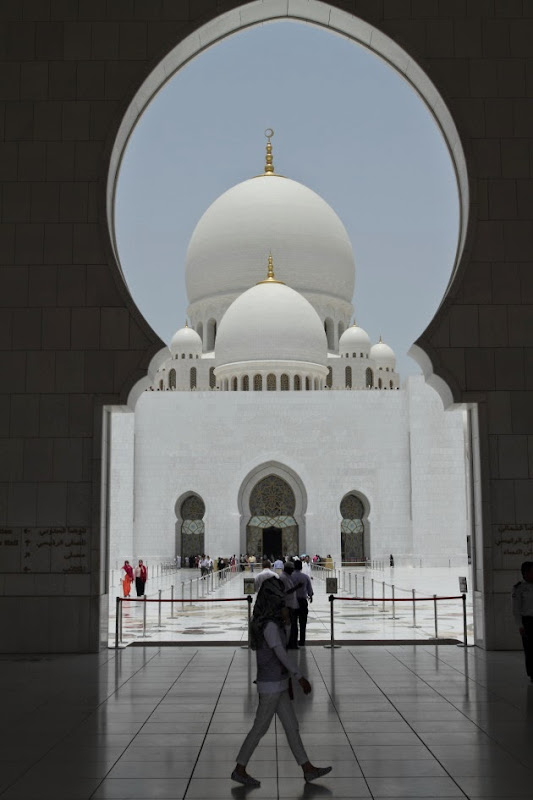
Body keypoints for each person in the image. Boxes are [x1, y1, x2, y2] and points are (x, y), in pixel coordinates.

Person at [231, 578, 332, 787]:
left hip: (279, 684)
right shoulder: (268, 625)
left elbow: (282, 645)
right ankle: (239, 769)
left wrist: (286, 623)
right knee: (259, 729)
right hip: (270, 686)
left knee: (292, 726)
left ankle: (307, 769)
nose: (283, 604)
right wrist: (299, 676)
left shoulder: (272, 622)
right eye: (280, 601)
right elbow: (280, 653)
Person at [512, 561, 533, 681]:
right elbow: (516, 609)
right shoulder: (519, 588)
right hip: (528, 622)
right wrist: (520, 625)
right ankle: (532, 673)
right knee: (530, 649)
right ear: (525, 574)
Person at [292, 559, 313, 647]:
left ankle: (293, 641)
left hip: (293, 602)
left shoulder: (290, 576)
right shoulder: (305, 577)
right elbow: (309, 590)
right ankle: (302, 641)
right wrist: (310, 596)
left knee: (293, 622)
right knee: (303, 622)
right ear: (301, 567)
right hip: (303, 601)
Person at [279, 561, 299, 649]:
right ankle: (288, 643)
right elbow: (287, 591)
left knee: (291, 625)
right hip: (287, 605)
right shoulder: (283, 577)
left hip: (291, 604)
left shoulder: (287, 577)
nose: (292, 571)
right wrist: (297, 587)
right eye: (291, 569)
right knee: (289, 625)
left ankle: (291, 643)